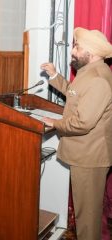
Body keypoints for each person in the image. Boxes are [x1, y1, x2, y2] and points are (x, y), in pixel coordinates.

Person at [40, 27, 112, 240]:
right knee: (86, 214)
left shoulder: (98, 79)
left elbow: (83, 122)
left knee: (87, 218)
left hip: (90, 158)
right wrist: (54, 76)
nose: (73, 51)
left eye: (77, 47)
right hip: (85, 155)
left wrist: (55, 122)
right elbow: (75, 94)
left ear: (91, 51)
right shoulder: (89, 72)